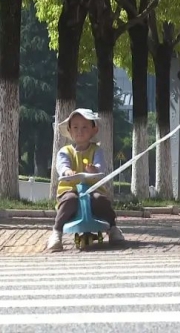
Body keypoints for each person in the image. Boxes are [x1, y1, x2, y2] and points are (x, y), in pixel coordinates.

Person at [46, 108, 124, 252]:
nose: (79, 131)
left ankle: (113, 227)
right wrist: (67, 171)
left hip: (93, 188)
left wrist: (95, 169)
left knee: (100, 200)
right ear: (69, 130)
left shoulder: (97, 151)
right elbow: (62, 166)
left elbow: (101, 166)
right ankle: (57, 232)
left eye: (84, 127)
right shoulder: (65, 151)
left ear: (93, 130)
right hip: (70, 189)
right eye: (75, 127)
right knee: (69, 200)